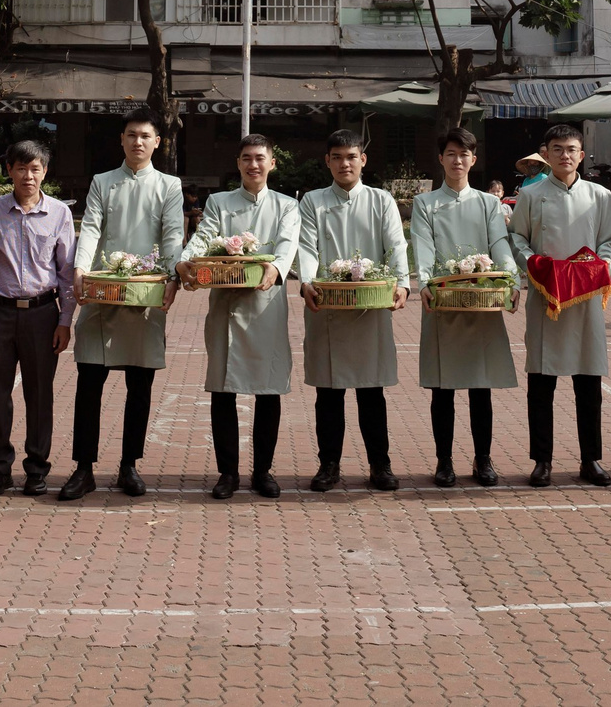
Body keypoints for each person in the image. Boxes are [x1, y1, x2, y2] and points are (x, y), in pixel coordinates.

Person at [60, 113, 183, 501]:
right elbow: (91, 226)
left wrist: (172, 279)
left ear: (158, 142)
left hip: (146, 295)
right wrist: (80, 268)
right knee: (89, 382)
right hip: (103, 292)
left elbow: (172, 233)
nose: (138, 142)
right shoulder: (103, 182)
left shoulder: (169, 185)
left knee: (140, 385)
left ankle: (130, 464)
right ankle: (83, 468)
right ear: (121, 140)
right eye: (131, 135)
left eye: (146, 136)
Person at [184, 134, 300, 499]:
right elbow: (203, 238)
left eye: (260, 158)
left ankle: (263, 471)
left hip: (267, 305)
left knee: (268, 388)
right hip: (226, 306)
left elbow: (287, 245)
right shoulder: (219, 202)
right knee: (223, 388)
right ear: (238, 163)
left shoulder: (286, 206)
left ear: (272, 163)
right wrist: (185, 260)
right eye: (247, 158)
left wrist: (276, 269)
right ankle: (228, 473)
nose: (254, 165)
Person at [296, 129, 409, 493]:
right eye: (337, 157)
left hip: (370, 309)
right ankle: (328, 464)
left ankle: (380, 464)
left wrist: (403, 283)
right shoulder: (312, 202)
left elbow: (395, 245)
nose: (345, 163)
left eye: (351, 156)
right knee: (328, 393)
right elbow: (307, 247)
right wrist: (308, 281)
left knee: (371, 392)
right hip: (327, 307)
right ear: (327, 161)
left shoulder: (381, 200)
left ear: (363, 160)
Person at [509, 124, 611, 487]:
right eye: (557, 149)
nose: (564, 155)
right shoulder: (531, 193)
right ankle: (542, 460)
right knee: (541, 384)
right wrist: (535, 266)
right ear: (547, 154)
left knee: (588, 385)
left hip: (585, 301)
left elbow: (610, 240)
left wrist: (597, 270)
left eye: (571, 149)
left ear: (582, 154)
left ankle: (591, 459)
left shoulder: (600, 195)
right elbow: (518, 238)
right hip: (546, 299)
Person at [406, 129, 518, 488]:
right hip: (443, 299)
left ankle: (483, 459)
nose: (457, 160)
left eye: (464, 153)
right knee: (443, 387)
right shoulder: (426, 203)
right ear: (441, 159)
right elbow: (422, 244)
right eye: (451, 153)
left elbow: (499, 243)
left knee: (480, 386)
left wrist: (510, 280)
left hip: (482, 300)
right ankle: (444, 461)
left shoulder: (488, 203)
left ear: (473, 159)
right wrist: (425, 282)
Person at [0, 138, 74, 496]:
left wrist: (65, 322)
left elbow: (65, 272)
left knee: (39, 393)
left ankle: (37, 468)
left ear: (45, 172)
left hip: (42, 313)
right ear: (10, 171)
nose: (28, 176)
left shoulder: (60, 214)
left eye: (35, 169)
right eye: (21, 168)